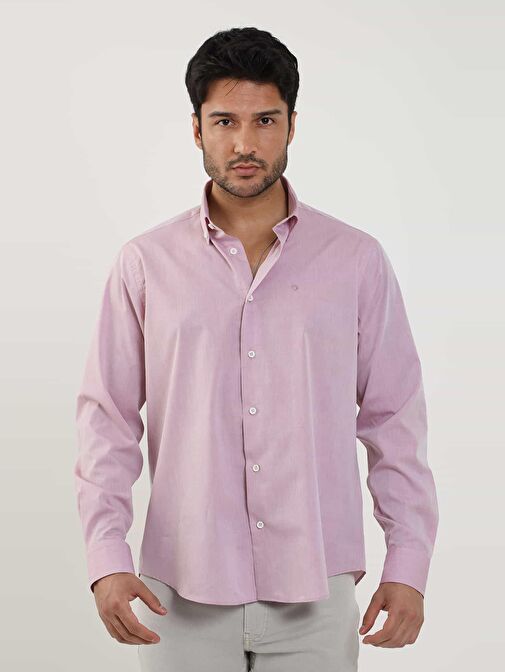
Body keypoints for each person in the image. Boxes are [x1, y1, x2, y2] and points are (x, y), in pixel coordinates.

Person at [74, 26, 439, 671]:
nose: (245, 143)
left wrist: (408, 563)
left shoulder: (356, 261)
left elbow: (394, 419)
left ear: (292, 125)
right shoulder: (145, 264)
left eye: (265, 120)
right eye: (225, 121)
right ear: (197, 130)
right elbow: (107, 420)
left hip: (317, 591)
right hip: (177, 594)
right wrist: (106, 559)